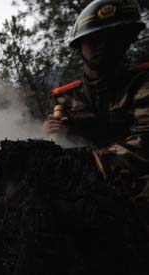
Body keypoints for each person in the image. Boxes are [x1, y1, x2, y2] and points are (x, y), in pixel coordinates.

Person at [43, 0, 149, 221]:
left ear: (127, 40)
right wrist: (57, 136)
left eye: (113, 38)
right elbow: (61, 146)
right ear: (80, 45)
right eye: (94, 39)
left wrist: (85, 165)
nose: (103, 45)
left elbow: (145, 144)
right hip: (87, 194)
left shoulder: (143, 83)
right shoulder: (66, 98)